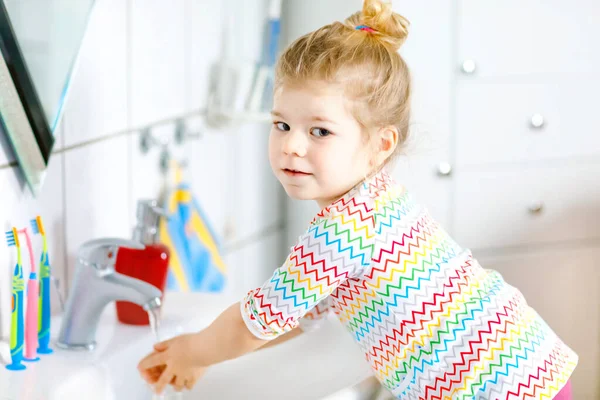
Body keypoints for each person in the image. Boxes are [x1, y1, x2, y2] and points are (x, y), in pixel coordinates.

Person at [138, 1, 578, 398]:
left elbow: (256, 322)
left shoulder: (341, 229)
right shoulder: (378, 202)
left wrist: (193, 352)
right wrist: (210, 356)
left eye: (320, 131)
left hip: (496, 386)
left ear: (380, 145)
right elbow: (294, 313)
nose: (291, 145)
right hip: (528, 368)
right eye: (281, 124)